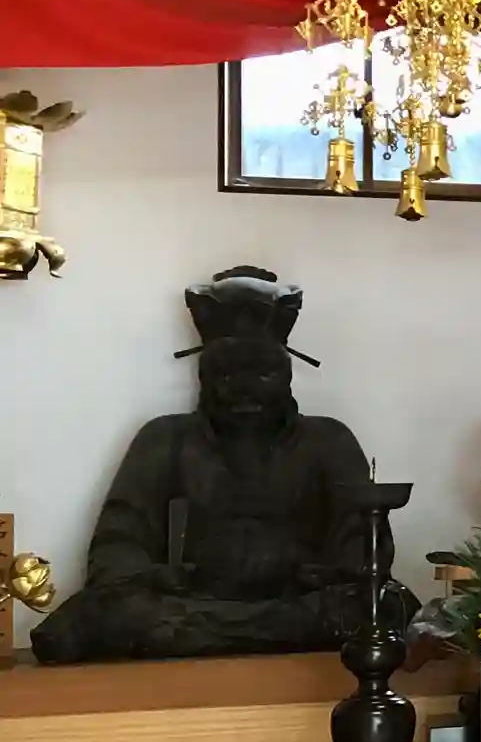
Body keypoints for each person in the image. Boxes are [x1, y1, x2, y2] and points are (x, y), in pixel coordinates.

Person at [32, 267, 406, 663]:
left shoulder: (328, 439)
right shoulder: (166, 437)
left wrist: (318, 573)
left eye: (263, 375)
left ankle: (221, 634)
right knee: (101, 613)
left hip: (290, 602)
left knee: (386, 605)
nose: (245, 391)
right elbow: (117, 545)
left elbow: (364, 550)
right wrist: (166, 577)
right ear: (203, 378)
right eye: (226, 376)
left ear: (287, 377)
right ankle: (244, 633)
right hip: (193, 600)